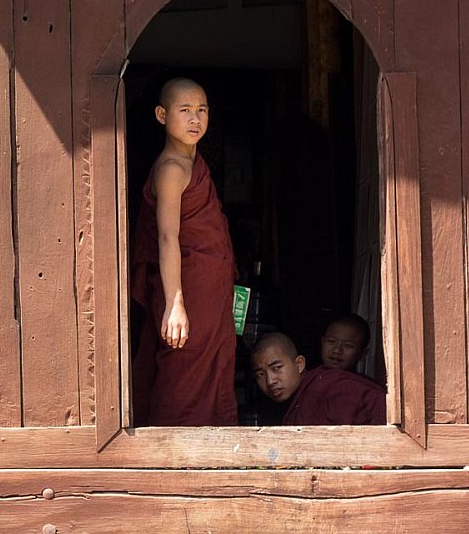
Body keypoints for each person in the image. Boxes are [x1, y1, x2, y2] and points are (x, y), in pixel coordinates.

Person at [130, 78, 237, 426]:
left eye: (202, 110)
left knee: (212, 365)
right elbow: (167, 237)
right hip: (186, 289)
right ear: (162, 115)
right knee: (184, 369)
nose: (195, 119)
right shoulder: (172, 169)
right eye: (185, 110)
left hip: (207, 288)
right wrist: (175, 304)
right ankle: (171, 446)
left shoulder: (192, 162)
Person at [250, 332, 384, 426]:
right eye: (260, 375)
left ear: (299, 364)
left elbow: (383, 407)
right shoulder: (300, 399)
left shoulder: (324, 390)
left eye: (277, 368)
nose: (270, 381)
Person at [320, 313, 373, 380]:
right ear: (322, 343)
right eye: (331, 341)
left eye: (348, 345)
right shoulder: (309, 379)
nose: (337, 350)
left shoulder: (364, 385)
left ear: (362, 354)